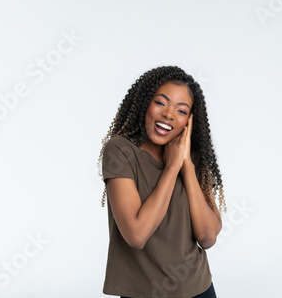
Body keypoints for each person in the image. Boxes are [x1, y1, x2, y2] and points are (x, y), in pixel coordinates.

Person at [97, 66, 226, 297]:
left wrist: (186, 166)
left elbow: (207, 237)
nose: (169, 114)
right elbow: (136, 235)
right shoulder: (120, 151)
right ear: (144, 103)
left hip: (199, 289)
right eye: (160, 102)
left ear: (189, 120)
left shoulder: (194, 157)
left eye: (181, 110)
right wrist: (172, 167)